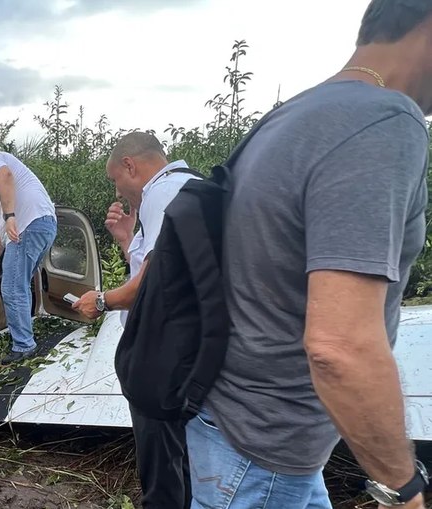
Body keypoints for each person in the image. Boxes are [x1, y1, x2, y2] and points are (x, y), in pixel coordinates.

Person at [186, 1, 431, 506]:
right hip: (265, 454)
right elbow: (340, 348)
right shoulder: (383, 121)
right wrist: (402, 488)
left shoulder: (292, 114)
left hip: (234, 429)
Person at [73, 131, 197, 509]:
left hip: (162, 348)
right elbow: (162, 265)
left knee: (160, 461)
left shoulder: (163, 192)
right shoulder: (191, 187)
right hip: (186, 343)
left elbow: (154, 281)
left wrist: (102, 300)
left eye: (115, 179)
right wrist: (128, 239)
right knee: (184, 451)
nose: (117, 189)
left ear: (130, 165)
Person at [0, 139, 58, 364]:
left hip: (28, 226)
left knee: (12, 288)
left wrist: (10, 217)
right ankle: (25, 335)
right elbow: (4, 233)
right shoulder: (8, 189)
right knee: (19, 284)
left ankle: (24, 345)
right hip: (44, 225)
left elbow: (4, 176)